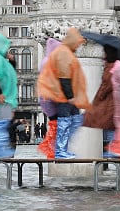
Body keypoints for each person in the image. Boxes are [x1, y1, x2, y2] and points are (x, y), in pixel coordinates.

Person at [37, 28, 91, 159]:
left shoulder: (61, 55)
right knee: (64, 122)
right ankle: (58, 149)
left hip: (64, 95)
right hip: (62, 96)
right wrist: (70, 96)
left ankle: (58, 148)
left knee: (74, 120)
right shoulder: (61, 55)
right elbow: (63, 77)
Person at [83, 45, 119, 156]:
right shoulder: (116, 67)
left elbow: (105, 88)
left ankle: (110, 156)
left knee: (110, 135)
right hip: (113, 107)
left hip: (109, 107)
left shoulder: (110, 69)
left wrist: (96, 101)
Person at [37, 39, 61, 158]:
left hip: (46, 97)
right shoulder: (50, 62)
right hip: (50, 97)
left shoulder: (46, 61)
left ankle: (50, 147)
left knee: (54, 123)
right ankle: (49, 146)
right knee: (56, 124)